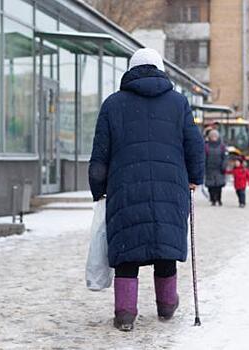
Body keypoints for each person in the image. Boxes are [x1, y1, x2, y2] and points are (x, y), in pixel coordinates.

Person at [88, 48, 204, 332]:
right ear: (160, 68)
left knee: (128, 251)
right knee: (165, 247)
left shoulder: (113, 104)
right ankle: (166, 306)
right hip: (170, 186)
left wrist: (98, 188)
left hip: (124, 188)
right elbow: (195, 144)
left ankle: (125, 314)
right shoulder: (178, 103)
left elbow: (100, 152)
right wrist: (194, 177)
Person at [204, 129, 227, 206]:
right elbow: (204, 157)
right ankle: (213, 199)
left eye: (215, 136)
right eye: (212, 136)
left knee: (218, 185)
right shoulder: (206, 146)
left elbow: (225, 157)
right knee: (211, 186)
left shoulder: (222, 146)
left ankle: (219, 199)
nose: (214, 138)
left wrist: (224, 165)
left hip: (219, 169)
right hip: (209, 169)